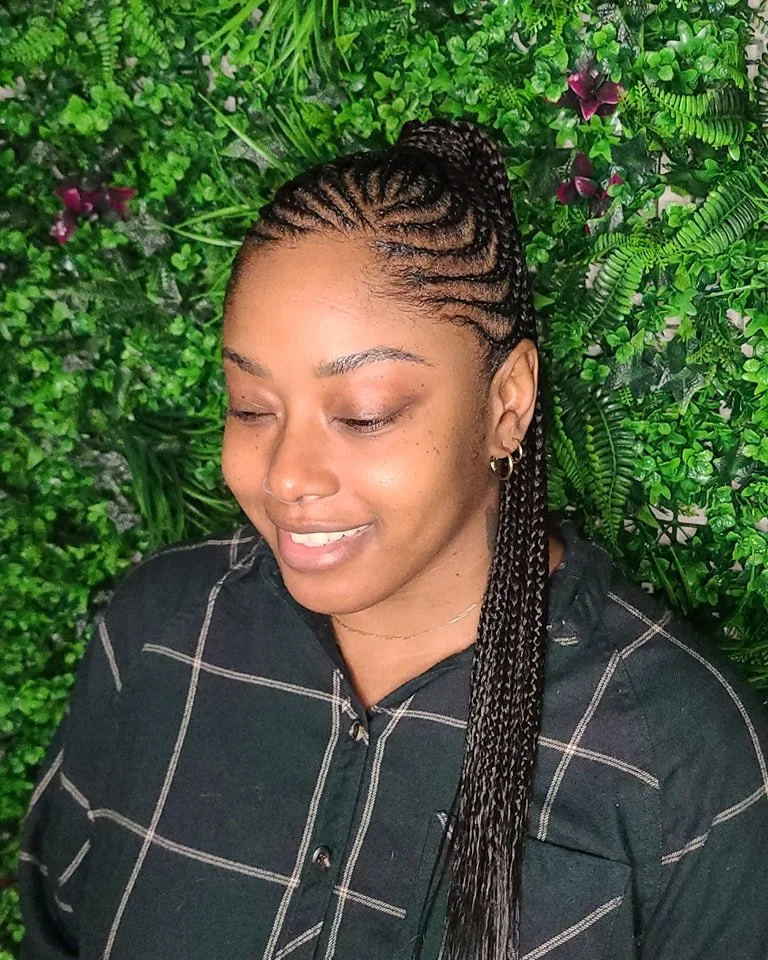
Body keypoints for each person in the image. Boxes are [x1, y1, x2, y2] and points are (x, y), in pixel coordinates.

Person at [17, 118, 768, 960]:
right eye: (252, 408)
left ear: (507, 403)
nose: (288, 475)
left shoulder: (678, 757)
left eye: (364, 415)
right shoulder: (157, 638)